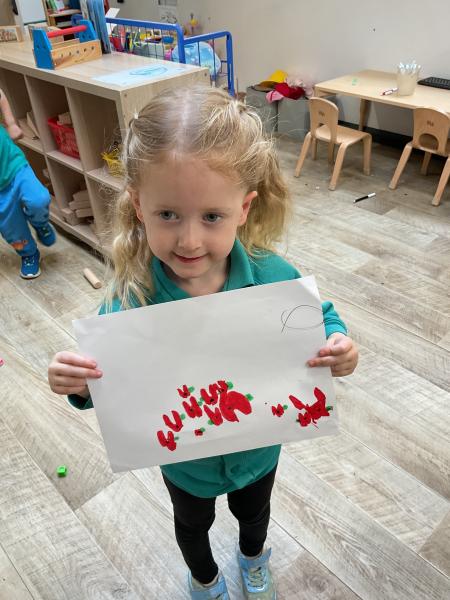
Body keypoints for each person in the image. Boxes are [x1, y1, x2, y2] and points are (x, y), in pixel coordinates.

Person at [48, 86, 358, 600]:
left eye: (212, 216)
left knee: (254, 515)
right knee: (191, 527)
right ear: (138, 205)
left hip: (258, 451)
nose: (189, 241)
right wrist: (77, 382)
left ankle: (253, 559)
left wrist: (339, 345)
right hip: (185, 464)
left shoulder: (271, 276)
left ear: (244, 208)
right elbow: (102, 377)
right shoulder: (131, 297)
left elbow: (321, 319)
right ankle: (205, 578)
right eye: (168, 214)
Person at [0, 88, 56, 278]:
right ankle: (29, 254)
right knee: (12, 230)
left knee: (39, 199)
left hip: (14, 165)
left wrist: (11, 123)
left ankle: (40, 223)